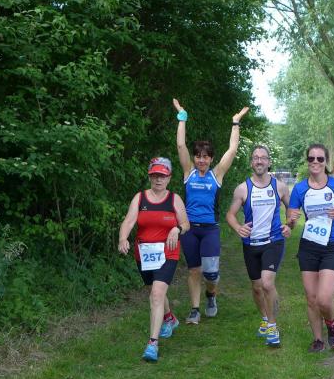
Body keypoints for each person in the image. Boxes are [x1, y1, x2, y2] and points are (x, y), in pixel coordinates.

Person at [173, 98, 249, 324]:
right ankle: (195, 309)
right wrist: (182, 117)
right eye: (198, 156)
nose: (201, 160)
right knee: (194, 270)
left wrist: (235, 123)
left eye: (205, 156)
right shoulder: (188, 172)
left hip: (210, 230)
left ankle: (211, 294)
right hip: (189, 229)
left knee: (211, 274)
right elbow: (180, 146)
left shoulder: (217, 175)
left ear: (211, 158)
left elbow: (232, 150)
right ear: (194, 158)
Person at [118, 157, 190, 362]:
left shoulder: (174, 199)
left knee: (157, 294)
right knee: (154, 292)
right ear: (150, 177)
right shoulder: (140, 198)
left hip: (168, 252)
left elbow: (186, 224)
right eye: (155, 175)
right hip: (144, 254)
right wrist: (123, 238)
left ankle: (152, 344)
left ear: (169, 178)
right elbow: (129, 221)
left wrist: (177, 229)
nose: (158, 179)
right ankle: (169, 318)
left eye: (162, 176)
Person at [287, 144, 334, 352]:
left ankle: (331, 325)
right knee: (311, 298)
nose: (315, 162)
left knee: (324, 299)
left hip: (332, 245)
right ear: (307, 161)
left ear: (326, 162)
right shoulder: (299, 189)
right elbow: (290, 220)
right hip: (309, 245)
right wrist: (291, 221)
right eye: (311, 158)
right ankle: (318, 340)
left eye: (320, 158)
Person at [225, 145, 292, 347]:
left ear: (269, 162)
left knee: (267, 284)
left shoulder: (280, 187)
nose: (260, 161)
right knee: (256, 288)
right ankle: (265, 318)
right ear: (251, 163)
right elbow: (230, 215)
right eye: (256, 158)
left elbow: (292, 209)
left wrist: (289, 225)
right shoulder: (242, 189)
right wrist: (238, 227)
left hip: (273, 241)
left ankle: (272, 326)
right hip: (251, 244)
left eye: (263, 157)